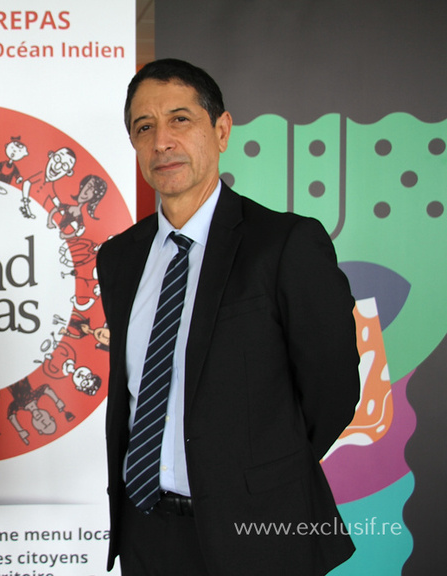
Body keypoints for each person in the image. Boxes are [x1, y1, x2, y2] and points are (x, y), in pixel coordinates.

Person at [96, 59, 360, 576]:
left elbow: (332, 392)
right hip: (146, 531)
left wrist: (259, 475)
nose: (162, 141)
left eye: (180, 120)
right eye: (143, 127)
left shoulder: (285, 244)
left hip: (259, 532)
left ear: (221, 131)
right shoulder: (119, 257)